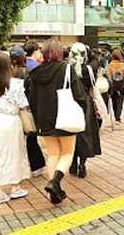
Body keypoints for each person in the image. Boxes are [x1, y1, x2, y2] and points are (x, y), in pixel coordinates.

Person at [26, 40, 86, 204]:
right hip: (65, 118)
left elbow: (31, 99)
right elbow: (80, 95)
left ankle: (54, 193)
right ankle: (55, 182)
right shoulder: (66, 69)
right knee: (67, 153)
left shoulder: (35, 73)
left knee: (53, 154)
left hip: (44, 120)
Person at [0, 52, 31, 204]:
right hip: (12, 121)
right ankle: (15, 187)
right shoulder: (16, 84)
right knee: (15, 153)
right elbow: (23, 104)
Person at [68, 43, 101, 178]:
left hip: (71, 102)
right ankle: (82, 164)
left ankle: (72, 163)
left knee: (71, 132)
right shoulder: (89, 69)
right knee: (86, 134)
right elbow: (96, 61)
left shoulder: (67, 69)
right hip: (86, 102)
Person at [22, 43, 46, 176]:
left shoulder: (21, 65)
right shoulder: (35, 67)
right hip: (30, 106)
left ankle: (35, 165)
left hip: (21, 106)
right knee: (31, 135)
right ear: (35, 51)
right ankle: (36, 165)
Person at [107, 50, 124, 124]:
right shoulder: (123, 65)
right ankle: (118, 117)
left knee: (114, 101)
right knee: (120, 101)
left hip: (113, 86)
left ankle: (115, 115)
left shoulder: (109, 65)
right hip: (121, 86)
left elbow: (108, 77)